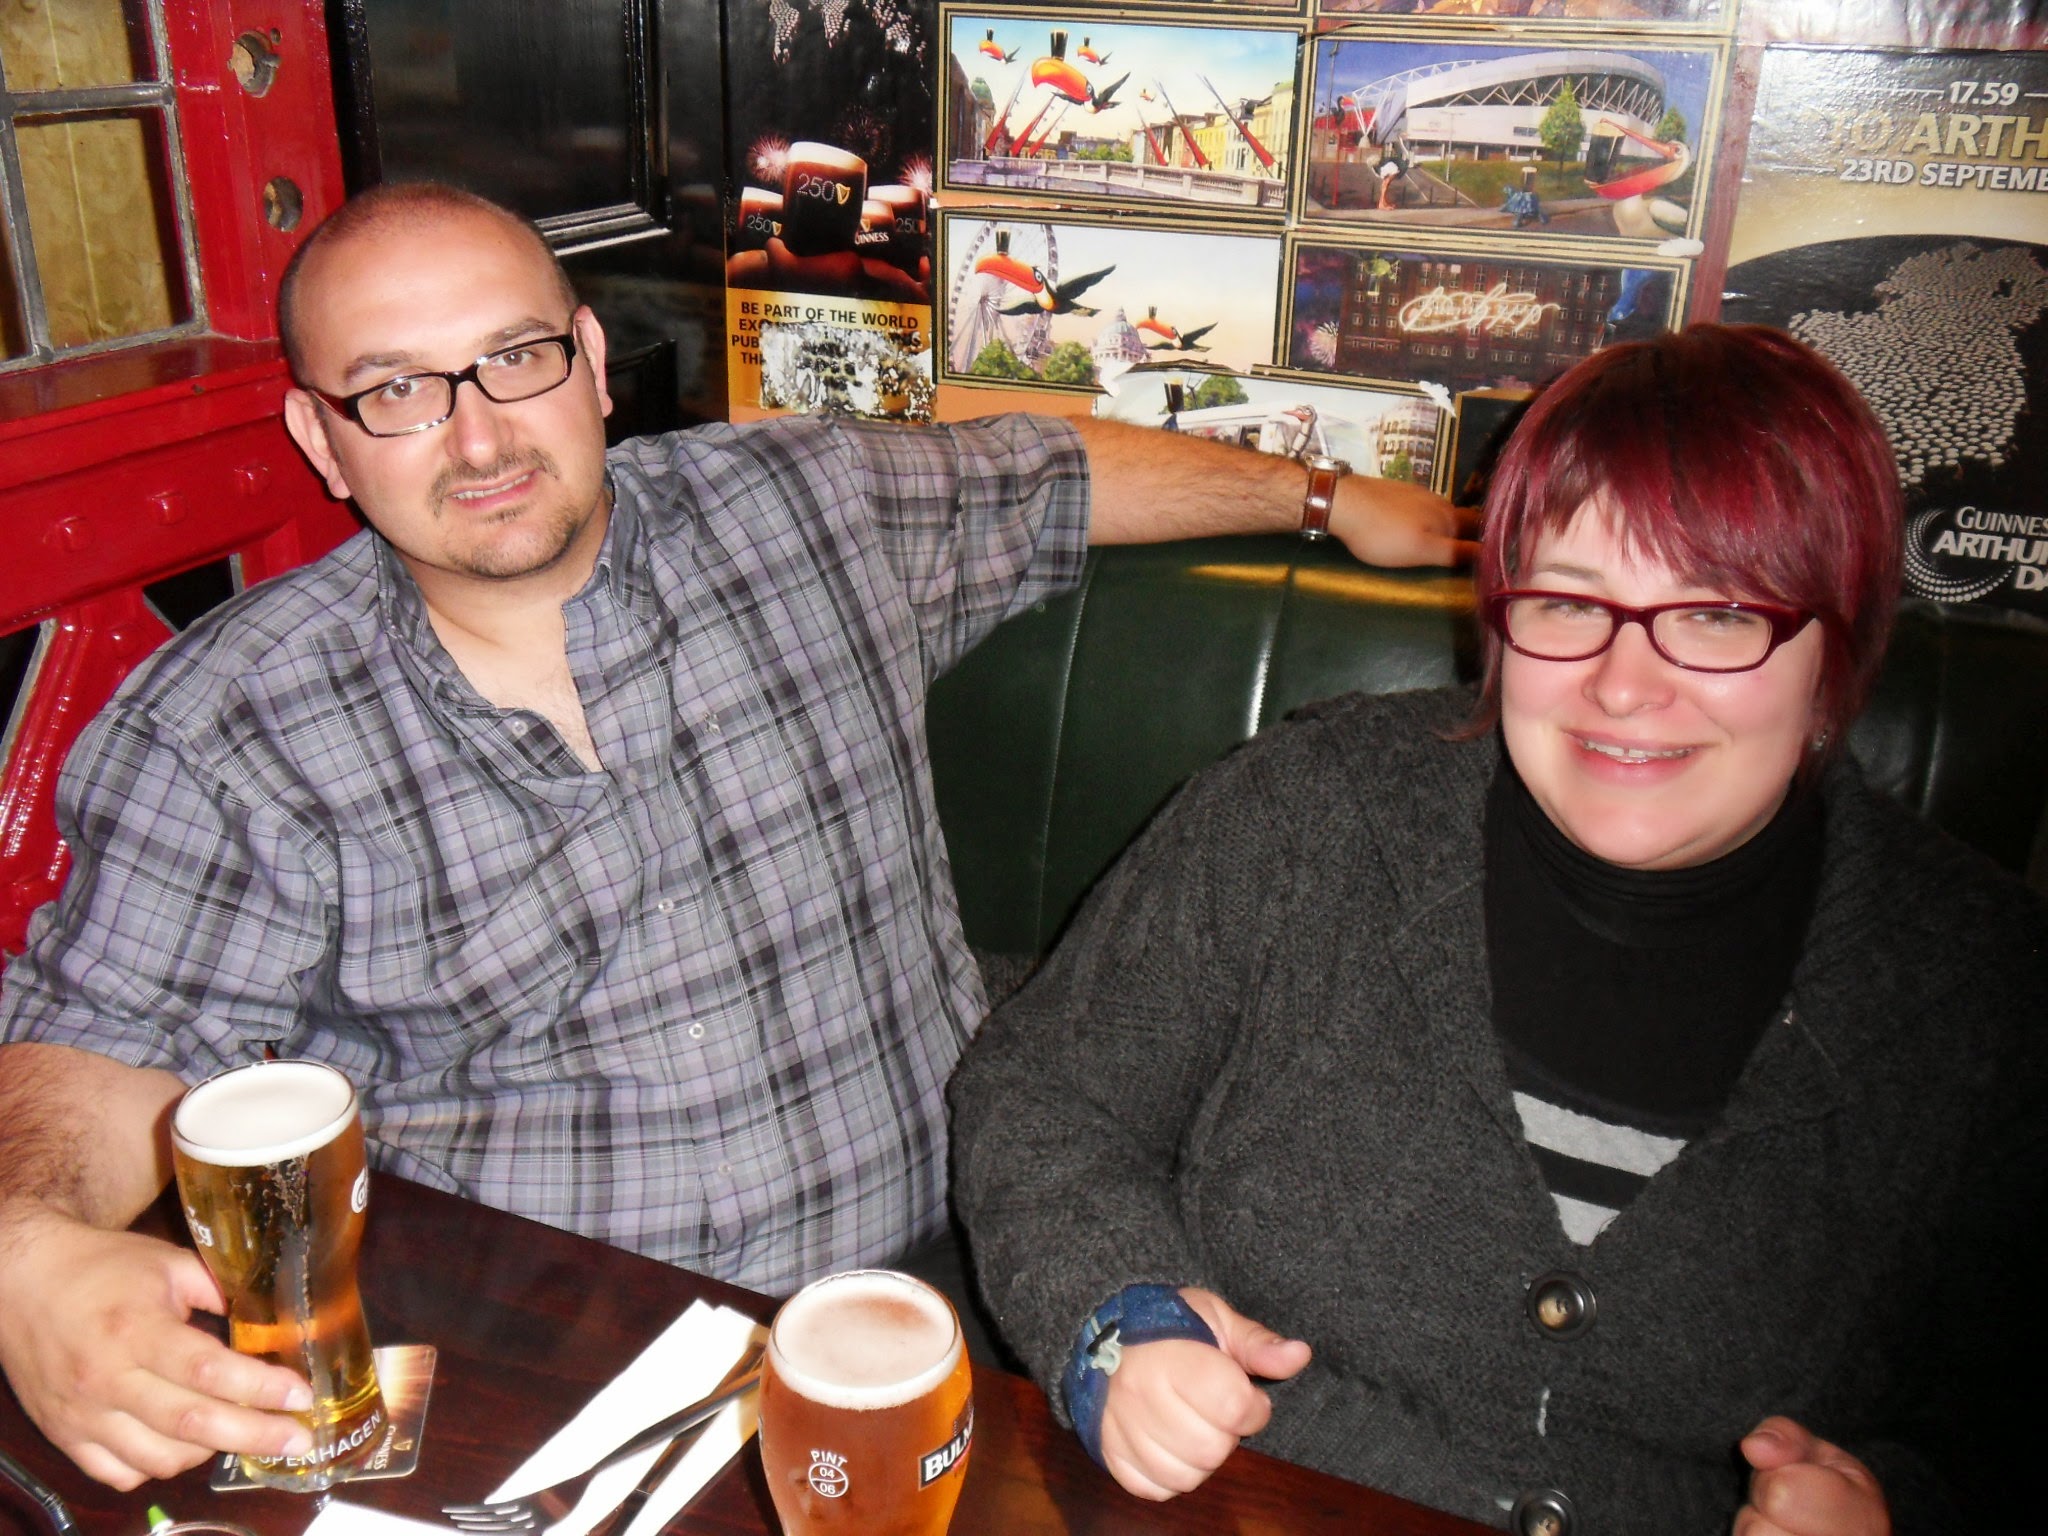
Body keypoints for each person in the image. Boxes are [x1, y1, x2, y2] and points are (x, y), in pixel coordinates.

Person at [0, 182, 1468, 1492]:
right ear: (319, 438)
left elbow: (1057, 478)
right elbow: (98, 1045)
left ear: (590, 361)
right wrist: (27, 1260)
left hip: (952, 1276)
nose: (481, 433)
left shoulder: (806, 511)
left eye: (516, 357)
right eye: (396, 390)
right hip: (544, 1356)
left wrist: (1328, 499)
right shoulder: (232, 726)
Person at [950, 324, 2046, 1534]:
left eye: (1715, 614)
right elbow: (1046, 1092)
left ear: (1834, 646)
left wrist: (1896, 1509)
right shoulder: (1308, 812)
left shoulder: (1982, 988)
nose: (1623, 685)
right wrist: (1117, 1320)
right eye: (1567, 602)